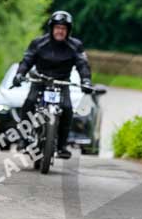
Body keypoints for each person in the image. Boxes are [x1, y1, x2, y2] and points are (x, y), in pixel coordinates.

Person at [12, 10, 93, 159]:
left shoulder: (76, 46)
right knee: (29, 103)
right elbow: (27, 60)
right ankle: (23, 139)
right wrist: (19, 74)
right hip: (40, 81)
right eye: (57, 28)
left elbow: (83, 65)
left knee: (68, 109)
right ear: (51, 28)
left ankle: (62, 145)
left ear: (68, 31)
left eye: (63, 28)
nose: (60, 31)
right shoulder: (38, 43)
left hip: (62, 83)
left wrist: (86, 81)